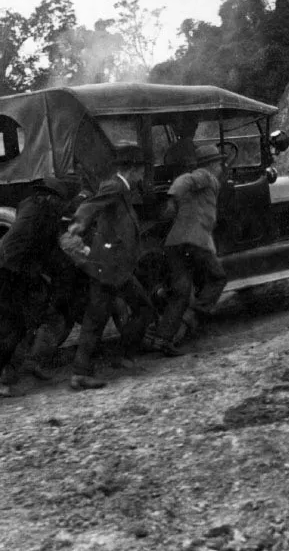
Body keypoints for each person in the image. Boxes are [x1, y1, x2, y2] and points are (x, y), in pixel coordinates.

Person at [0, 178, 78, 410]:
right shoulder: (44, 214)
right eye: (62, 202)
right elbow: (49, 251)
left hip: (1, 270)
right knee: (8, 326)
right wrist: (69, 268)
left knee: (14, 327)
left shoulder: (31, 209)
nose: (63, 207)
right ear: (53, 198)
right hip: (7, 273)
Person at [65, 144, 154, 391]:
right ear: (134, 170)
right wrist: (80, 223)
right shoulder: (115, 186)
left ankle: (120, 358)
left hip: (115, 267)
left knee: (124, 311)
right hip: (108, 266)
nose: (143, 177)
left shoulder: (123, 189)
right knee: (103, 316)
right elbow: (92, 205)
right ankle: (86, 371)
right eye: (141, 171)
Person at [146, 144, 228, 355]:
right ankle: (193, 316)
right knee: (218, 277)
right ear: (210, 165)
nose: (221, 167)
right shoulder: (205, 176)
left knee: (181, 292)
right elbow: (185, 180)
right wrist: (172, 198)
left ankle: (162, 340)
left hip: (175, 242)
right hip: (194, 241)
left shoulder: (202, 185)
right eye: (218, 163)